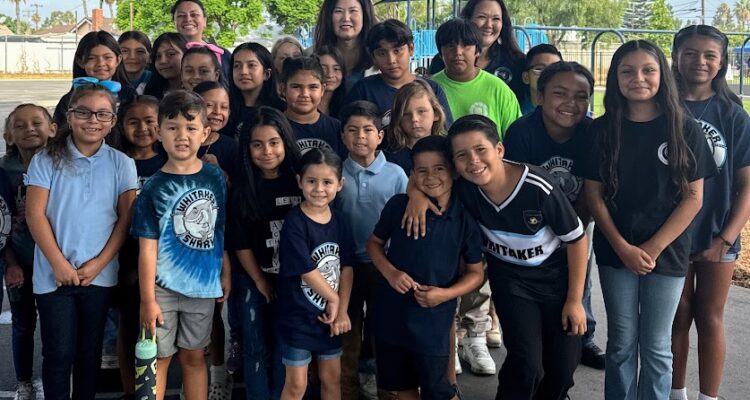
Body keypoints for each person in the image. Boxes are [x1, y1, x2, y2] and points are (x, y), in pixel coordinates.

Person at [405, 114, 588, 398]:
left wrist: (575, 300)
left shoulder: (538, 186)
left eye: (481, 150)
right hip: (511, 283)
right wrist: (415, 194)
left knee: (562, 368)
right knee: (527, 365)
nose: (474, 161)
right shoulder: (465, 188)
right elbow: (427, 178)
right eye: (462, 156)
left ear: (499, 150)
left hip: (556, 283)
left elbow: (577, 240)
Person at [582, 40, 716, 400]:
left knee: (657, 345)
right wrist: (624, 248)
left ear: (662, 75)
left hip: (667, 253)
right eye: (627, 71)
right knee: (622, 342)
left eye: (648, 70)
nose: (637, 78)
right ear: (614, 78)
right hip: (616, 251)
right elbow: (593, 195)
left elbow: (693, 197)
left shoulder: (684, 129)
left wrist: (653, 247)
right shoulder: (602, 130)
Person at [26, 84, 138, 399]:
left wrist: (98, 264)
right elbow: (36, 215)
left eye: (103, 114)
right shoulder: (46, 158)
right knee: (59, 355)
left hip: (98, 275)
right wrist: (59, 264)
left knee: (89, 355)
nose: (93, 120)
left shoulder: (120, 163)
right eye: (84, 112)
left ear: (113, 121)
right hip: (53, 275)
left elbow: (124, 220)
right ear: (70, 116)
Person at [503, 61, 606, 370]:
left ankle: (582, 336)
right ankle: (536, 344)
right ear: (540, 97)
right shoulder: (522, 132)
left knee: (578, 278)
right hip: (531, 225)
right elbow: (516, 187)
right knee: (539, 284)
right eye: (560, 93)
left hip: (576, 219)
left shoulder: (592, 133)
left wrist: (571, 230)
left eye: (581, 96)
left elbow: (592, 189)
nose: (570, 103)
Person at [367, 135, 484, 400]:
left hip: (433, 322)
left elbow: (476, 273)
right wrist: (390, 272)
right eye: (422, 170)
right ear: (412, 174)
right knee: (401, 387)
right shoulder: (399, 206)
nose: (431, 177)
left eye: (439, 168)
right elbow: (374, 243)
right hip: (391, 318)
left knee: (440, 390)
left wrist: (444, 294)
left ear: (453, 172)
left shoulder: (464, 218)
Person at [133, 90, 231, 400]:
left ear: (205, 133)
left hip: (202, 287)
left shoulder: (215, 179)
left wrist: (225, 270)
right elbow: (147, 248)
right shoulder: (152, 188)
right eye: (172, 127)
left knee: (194, 357)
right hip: (161, 290)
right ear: (159, 133)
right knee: (159, 359)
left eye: (190, 128)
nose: (182, 136)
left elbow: (219, 230)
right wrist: (147, 299)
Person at [670, 26, 750, 400]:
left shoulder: (733, 116)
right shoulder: (662, 107)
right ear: (675, 55)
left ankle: (708, 397)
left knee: (710, 316)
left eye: (708, 55)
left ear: (721, 63)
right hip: (671, 233)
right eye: (690, 52)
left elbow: (747, 185)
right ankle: (675, 392)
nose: (698, 61)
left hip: (718, 232)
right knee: (677, 315)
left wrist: (725, 239)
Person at [227, 106, 303, 399]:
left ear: (285, 141)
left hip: (294, 281)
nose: (267, 151)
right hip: (253, 280)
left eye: (274, 142)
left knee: (286, 346)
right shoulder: (243, 188)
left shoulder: (301, 181)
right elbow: (240, 241)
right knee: (255, 346)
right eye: (257, 144)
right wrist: (260, 281)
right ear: (247, 148)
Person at [334, 100, 408, 400]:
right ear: (342, 137)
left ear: (380, 135)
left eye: (368, 130)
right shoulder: (334, 173)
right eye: (352, 130)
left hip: (384, 266)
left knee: (384, 334)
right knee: (347, 332)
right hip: (345, 267)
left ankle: (387, 391)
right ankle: (346, 390)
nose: (360, 136)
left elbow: (405, 221)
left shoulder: (397, 175)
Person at [277, 148, 354, 400]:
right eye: (311, 181)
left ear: (340, 184)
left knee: (331, 379)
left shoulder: (341, 221)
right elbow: (306, 269)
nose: (319, 188)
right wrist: (333, 300)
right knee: (297, 384)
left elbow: (347, 267)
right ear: (300, 181)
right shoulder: (295, 222)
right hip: (298, 317)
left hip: (330, 319)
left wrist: (341, 310)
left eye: (327, 182)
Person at [114, 96, 168, 400]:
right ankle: (129, 390)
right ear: (122, 126)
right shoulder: (118, 161)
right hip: (127, 254)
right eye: (133, 122)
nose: (143, 128)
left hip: (168, 256)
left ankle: (155, 388)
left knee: (162, 329)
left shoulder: (170, 158)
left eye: (150, 121)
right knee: (129, 325)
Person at [1, 104, 55, 400]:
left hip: (57, 262)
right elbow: (2, 223)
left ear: (52, 129)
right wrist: (10, 263)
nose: (30, 129)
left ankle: (53, 377)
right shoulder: (5, 171)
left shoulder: (63, 164)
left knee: (55, 324)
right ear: (8, 135)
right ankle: (23, 381)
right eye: (20, 125)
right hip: (21, 260)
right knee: (23, 323)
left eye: (37, 123)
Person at [347, 19, 452, 131]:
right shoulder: (363, 90)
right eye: (382, 53)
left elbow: (446, 131)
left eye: (397, 51)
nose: (391, 60)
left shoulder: (432, 89)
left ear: (411, 49)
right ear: (373, 56)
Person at [431, 18, 521, 140]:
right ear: (440, 52)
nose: (458, 52)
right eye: (450, 46)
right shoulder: (429, 89)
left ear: (477, 51)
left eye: (466, 45)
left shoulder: (499, 89)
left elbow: (515, 138)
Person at [428, 0, 526, 101]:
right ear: (466, 20)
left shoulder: (516, 62)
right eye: (482, 17)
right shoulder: (443, 61)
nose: (488, 25)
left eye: (496, 19)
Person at [53, 31, 137, 130]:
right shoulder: (68, 100)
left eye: (107, 57)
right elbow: (60, 135)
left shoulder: (129, 96)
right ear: (80, 62)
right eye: (91, 58)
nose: (100, 63)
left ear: (118, 60)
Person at [281, 56, 347, 158]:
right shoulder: (274, 128)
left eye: (313, 87)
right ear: (283, 89)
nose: (305, 94)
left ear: (322, 90)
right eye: (296, 87)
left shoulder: (337, 129)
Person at [384, 79, 448, 174]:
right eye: (406, 114)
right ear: (398, 119)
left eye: (421, 111)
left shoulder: (449, 150)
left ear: (436, 114)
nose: (414, 119)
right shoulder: (389, 159)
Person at [312, 0, 377, 89]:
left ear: (365, 15)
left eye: (353, 11)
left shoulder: (380, 59)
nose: (346, 18)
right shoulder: (311, 57)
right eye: (338, 11)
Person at [228, 42, 286, 138]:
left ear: (267, 74)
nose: (243, 72)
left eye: (251, 65)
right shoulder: (224, 108)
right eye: (237, 66)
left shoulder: (281, 110)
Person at [171, 0, 232, 79]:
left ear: (204, 21)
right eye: (181, 15)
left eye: (194, 15)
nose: (188, 19)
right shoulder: (164, 55)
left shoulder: (222, 54)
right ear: (173, 21)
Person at [193, 81, 240, 183]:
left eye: (224, 107)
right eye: (209, 105)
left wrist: (218, 172)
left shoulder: (231, 147)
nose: (217, 111)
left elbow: (238, 191)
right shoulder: (181, 142)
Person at [519, 44, 563, 114]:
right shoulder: (516, 113)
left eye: (556, 69)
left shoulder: (572, 114)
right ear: (526, 77)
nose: (549, 75)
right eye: (540, 69)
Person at [144, 33, 188, 99]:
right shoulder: (148, 92)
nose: (162, 61)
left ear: (187, 55)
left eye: (171, 54)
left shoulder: (199, 90)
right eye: (158, 56)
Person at [315, 45, 348, 118]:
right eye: (323, 69)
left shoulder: (347, 106)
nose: (330, 75)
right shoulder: (304, 103)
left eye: (336, 69)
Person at [118, 31, 153, 95]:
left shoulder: (159, 82)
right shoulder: (107, 84)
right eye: (125, 51)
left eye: (140, 51)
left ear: (150, 57)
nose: (132, 57)